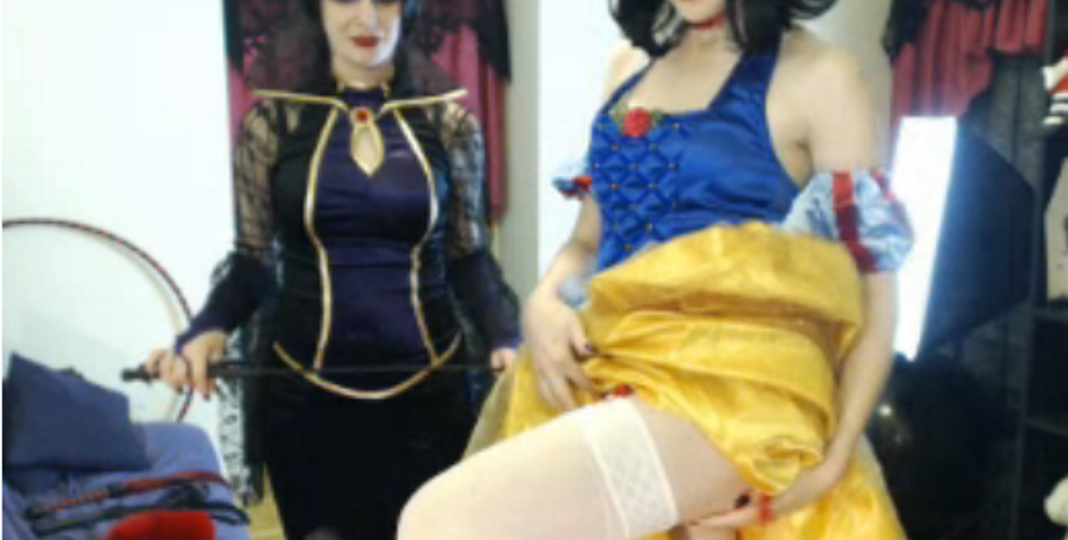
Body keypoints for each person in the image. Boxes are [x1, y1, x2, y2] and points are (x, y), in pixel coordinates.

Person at [396, 1, 913, 540]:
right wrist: (543, 301)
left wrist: (835, 458)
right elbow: (587, 242)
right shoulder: (629, 67)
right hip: (612, 367)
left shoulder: (822, 76)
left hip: (734, 394)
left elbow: (876, 292)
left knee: (440, 521)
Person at [146, 1, 521, 539]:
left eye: (385, 0)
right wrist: (206, 329)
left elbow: (468, 257)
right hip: (304, 407)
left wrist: (506, 335)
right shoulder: (271, 127)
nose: (367, 18)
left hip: (431, 403)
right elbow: (253, 261)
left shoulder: (450, 125)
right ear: (316, 10)